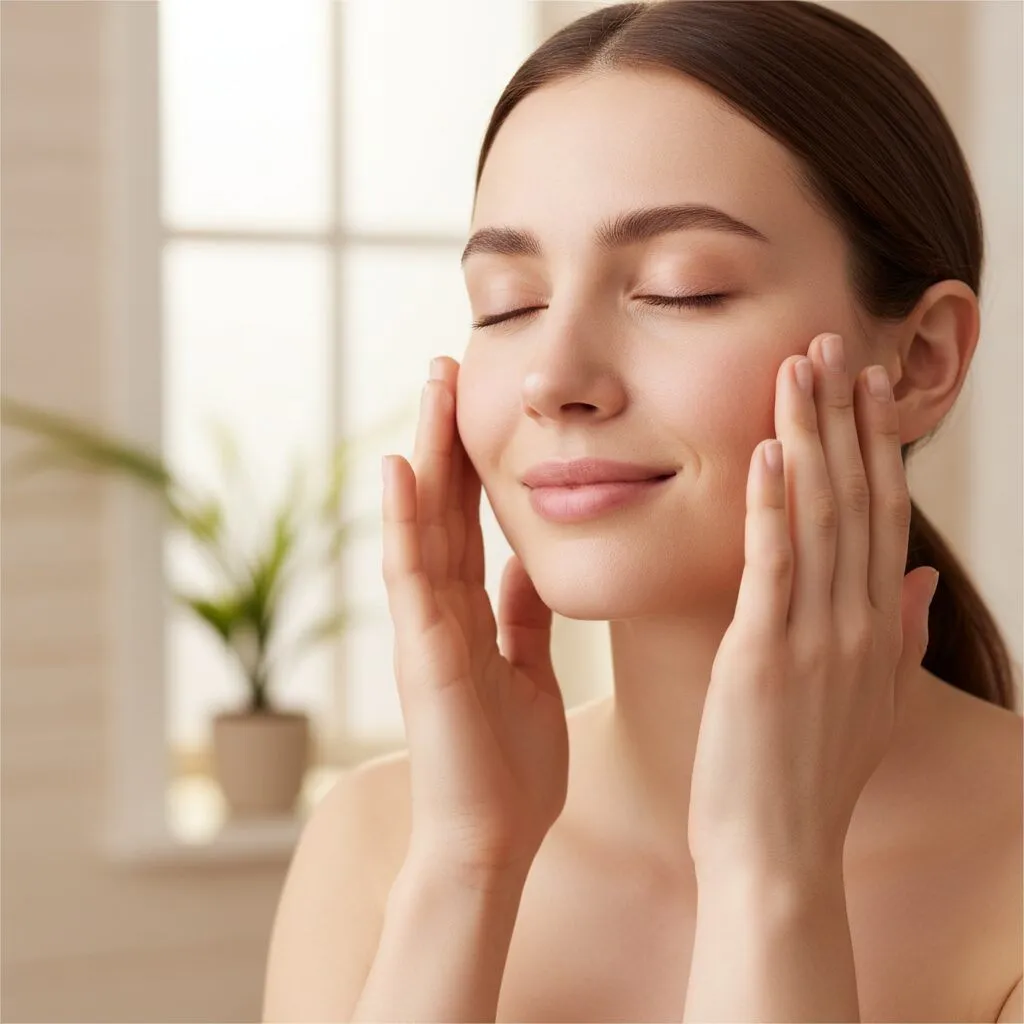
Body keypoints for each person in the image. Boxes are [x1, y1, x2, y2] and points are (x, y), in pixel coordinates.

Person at [262, 3, 1023, 1021]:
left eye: (682, 290)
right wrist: (466, 864)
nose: (554, 376)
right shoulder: (380, 842)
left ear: (920, 360)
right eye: (507, 302)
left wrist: (770, 872)